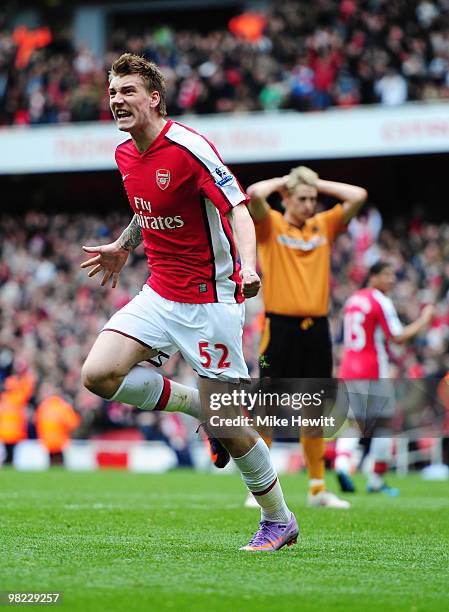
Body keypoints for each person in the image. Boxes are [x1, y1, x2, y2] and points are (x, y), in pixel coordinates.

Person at [80, 53, 298, 551]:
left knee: (231, 424)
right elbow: (148, 211)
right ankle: (197, 406)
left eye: (128, 91)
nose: (117, 100)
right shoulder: (124, 154)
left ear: (153, 97)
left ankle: (279, 519)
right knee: (99, 375)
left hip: (210, 300)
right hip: (159, 292)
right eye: (112, 92)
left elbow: (238, 209)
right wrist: (122, 246)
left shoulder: (190, 148)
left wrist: (248, 265)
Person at [247, 165, 367, 508]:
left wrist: (316, 184)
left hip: (316, 328)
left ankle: (317, 488)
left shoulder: (323, 225)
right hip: (279, 326)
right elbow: (254, 194)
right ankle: (259, 489)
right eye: (302, 199)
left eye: (314, 199)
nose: (310, 205)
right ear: (286, 198)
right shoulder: (271, 224)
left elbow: (358, 196)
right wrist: (286, 183)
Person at [336, 261, 435, 494]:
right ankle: (376, 480)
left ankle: (342, 464)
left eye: (393, 274)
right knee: (385, 423)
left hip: (349, 368)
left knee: (355, 423)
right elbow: (397, 336)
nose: (391, 279)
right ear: (373, 276)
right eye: (386, 275)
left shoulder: (353, 300)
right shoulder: (380, 300)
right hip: (372, 369)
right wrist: (423, 320)